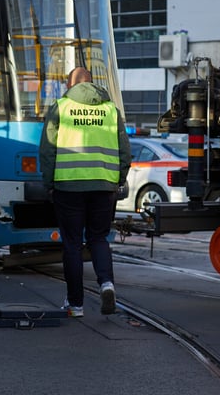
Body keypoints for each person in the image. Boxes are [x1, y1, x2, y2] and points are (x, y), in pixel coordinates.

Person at [39, 67, 131, 317]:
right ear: (92, 84)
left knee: (72, 244)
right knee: (98, 238)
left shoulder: (62, 107)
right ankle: (106, 284)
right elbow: (125, 152)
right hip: (103, 187)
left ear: (70, 85)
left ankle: (75, 304)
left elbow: (47, 150)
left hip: (68, 187)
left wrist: (49, 183)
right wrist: (118, 180)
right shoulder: (111, 110)